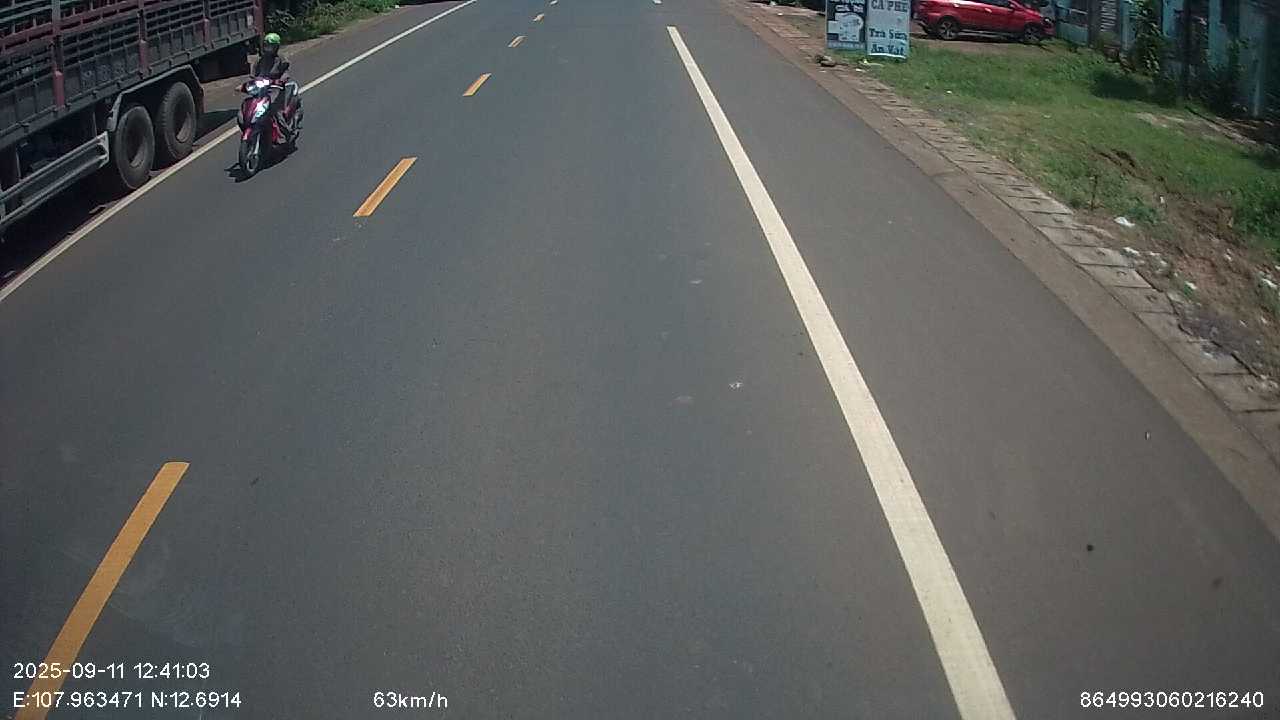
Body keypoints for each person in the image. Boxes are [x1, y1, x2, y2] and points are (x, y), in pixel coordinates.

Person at [252, 34, 297, 135]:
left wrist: (281, 80)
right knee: (250, 106)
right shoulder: (260, 60)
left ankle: (286, 132)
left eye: (271, 46)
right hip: (262, 89)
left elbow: (285, 72)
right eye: (266, 45)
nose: (268, 48)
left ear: (276, 47)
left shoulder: (281, 59)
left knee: (274, 109)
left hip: (276, 89)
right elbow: (254, 74)